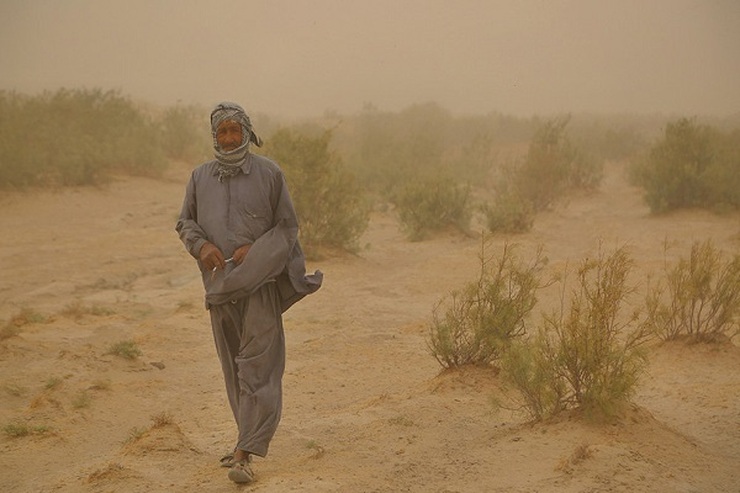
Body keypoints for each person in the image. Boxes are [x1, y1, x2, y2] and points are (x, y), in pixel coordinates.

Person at [175, 101, 322, 484]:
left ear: (246, 132)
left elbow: (287, 228)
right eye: (222, 132)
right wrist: (201, 246)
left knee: (259, 368)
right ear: (214, 136)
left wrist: (256, 251)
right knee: (233, 369)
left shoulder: (269, 173)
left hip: (260, 286)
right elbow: (185, 222)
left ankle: (244, 454)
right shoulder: (199, 177)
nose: (228, 139)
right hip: (219, 289)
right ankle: (244, 436)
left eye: (234, 131)